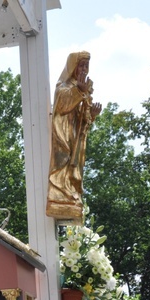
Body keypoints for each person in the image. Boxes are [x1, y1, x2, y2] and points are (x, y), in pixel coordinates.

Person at [45, 51, 103, 221]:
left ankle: (70, 194)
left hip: (76, 136)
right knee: (62, 163)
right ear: (73, 66)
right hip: (63, 134)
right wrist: (79, 90)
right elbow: (63, 106)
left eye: (86, 66)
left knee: (74, 167)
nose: (84, 69)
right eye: (81, 65)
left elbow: (84, 118)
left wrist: (91, 115)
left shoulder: (84, 89)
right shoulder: (63, 87)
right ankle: (59, 195)